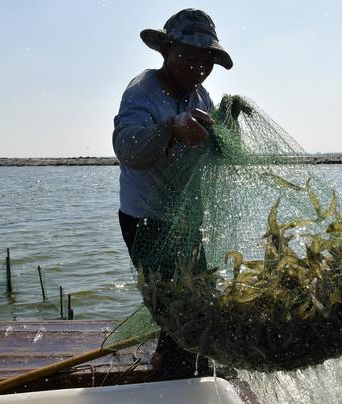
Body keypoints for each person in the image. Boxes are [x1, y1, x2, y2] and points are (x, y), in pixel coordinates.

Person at [112, 9, 233, 379]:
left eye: (206, 60)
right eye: (189, 57)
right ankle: (177, 377)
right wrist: (171, 127)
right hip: (145, 220)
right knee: (177, 307)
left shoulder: (201, 95)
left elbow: (211, 150)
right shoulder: (143, 91)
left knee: (200, 300)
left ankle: (176, 362)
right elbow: (126, 146)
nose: (198, 68)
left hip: (182, 219)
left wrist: (225, 134)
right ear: (166, 49)